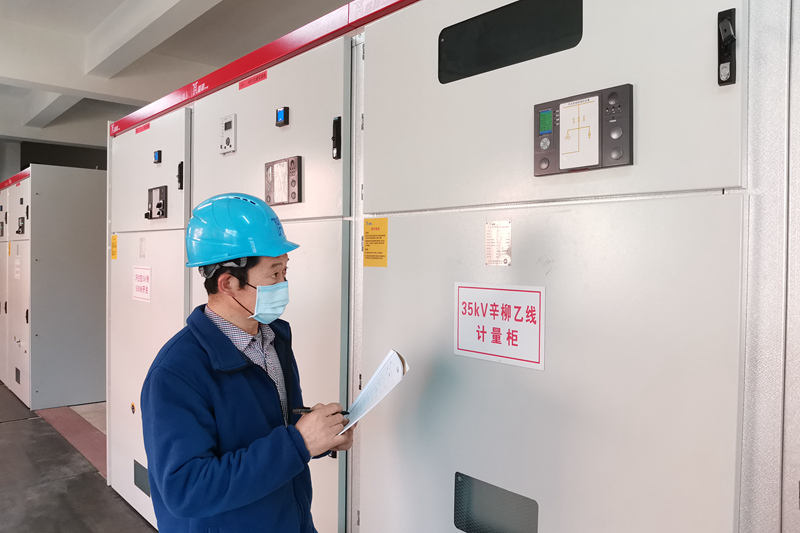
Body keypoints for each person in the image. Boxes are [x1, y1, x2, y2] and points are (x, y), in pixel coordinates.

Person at [141, 192, 353, 532]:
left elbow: (273, 433)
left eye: (285, 271)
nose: (283, 284)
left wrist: (319, 436)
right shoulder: (176, 373)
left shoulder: (274, 339)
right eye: (274, 274)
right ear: (228, 283)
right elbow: (186, 489)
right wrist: (299, 443)